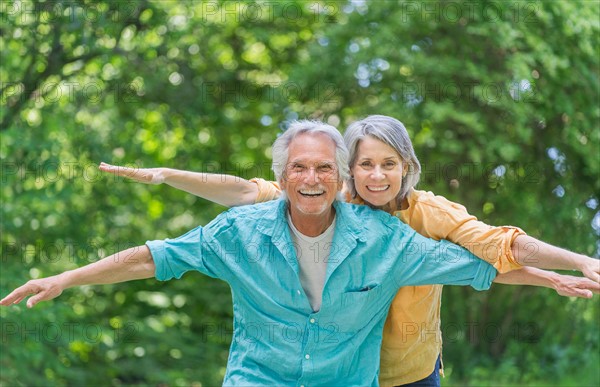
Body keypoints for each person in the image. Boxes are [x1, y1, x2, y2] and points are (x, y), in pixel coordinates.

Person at [99, 115, 600, 386]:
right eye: (365, 165)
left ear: (407, 166)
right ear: (349, 170)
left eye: (389, 164)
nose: (377, 176)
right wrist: (168, 176)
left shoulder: (430, 214)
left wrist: (571, 265)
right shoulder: (328, 201)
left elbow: (495, 253)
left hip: (410, 375)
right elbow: (247, 192)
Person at [2, 121, 506, 385]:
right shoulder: (240, 233)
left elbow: (478, 265)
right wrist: (67, 277)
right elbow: (156, 256)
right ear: (283, 177)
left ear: (341, 179)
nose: (312, 180)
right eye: (300, 169)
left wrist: (558, 275)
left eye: (325, 169)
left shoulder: (383, 237)